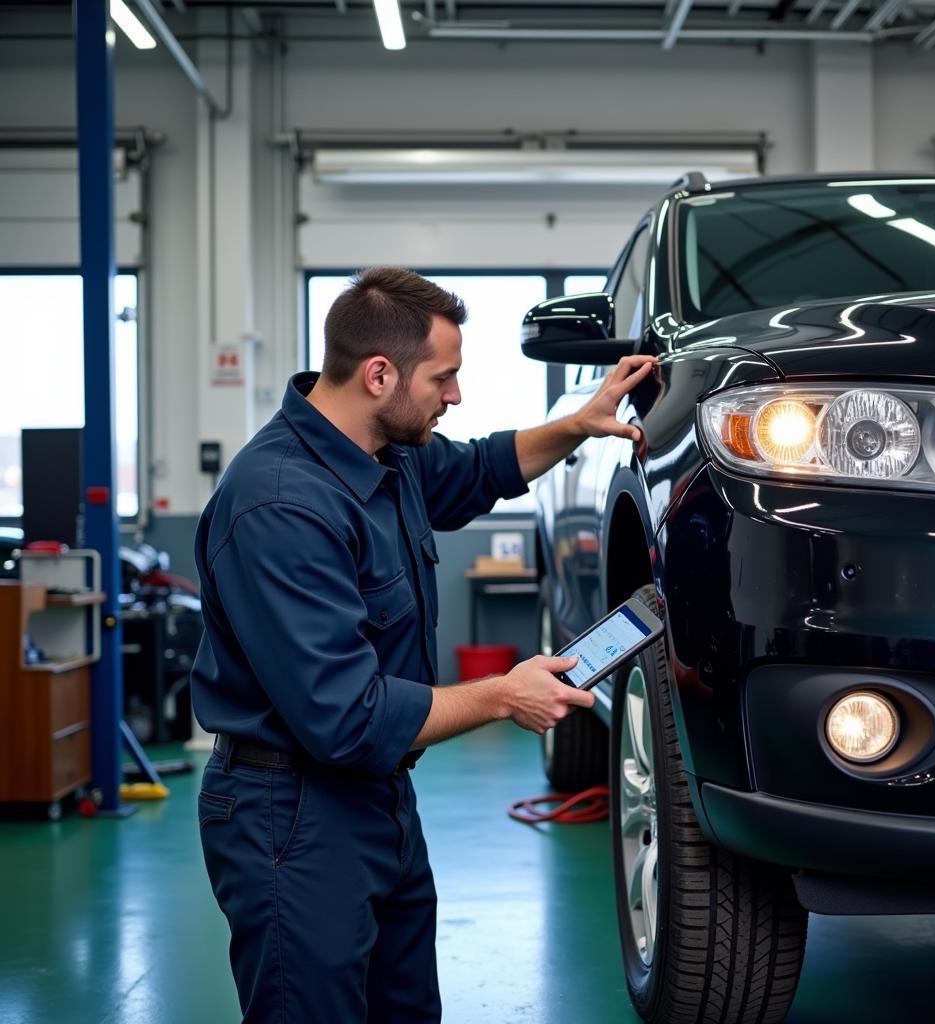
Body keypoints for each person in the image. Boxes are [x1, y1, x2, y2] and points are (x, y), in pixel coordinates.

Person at [191, 266, 656, 1024]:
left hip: (381, 799)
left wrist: (580, 422)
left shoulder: (387, 454)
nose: (456, 396)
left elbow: (484, 468)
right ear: (379, 374)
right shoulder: (279, 506)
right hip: (293, 815)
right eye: (445, 378)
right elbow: (345, 717)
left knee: (406, 1009)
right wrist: (505, 694)